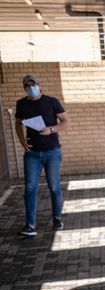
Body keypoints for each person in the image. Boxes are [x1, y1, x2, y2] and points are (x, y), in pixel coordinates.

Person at [15, 74, 70, 236]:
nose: (30, 88)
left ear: (39, 84)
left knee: (54, 187)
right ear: (24, 88)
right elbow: (18, 124)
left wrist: (51, 129)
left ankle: (57, 219)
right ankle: (30, 225)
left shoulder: (51, 102)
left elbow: (66, 122)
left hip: (52, 152)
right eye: (27, 86)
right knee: (30, 188)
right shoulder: (21, 104)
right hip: (32, 154)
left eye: (33, 84)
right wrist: (22, 142)